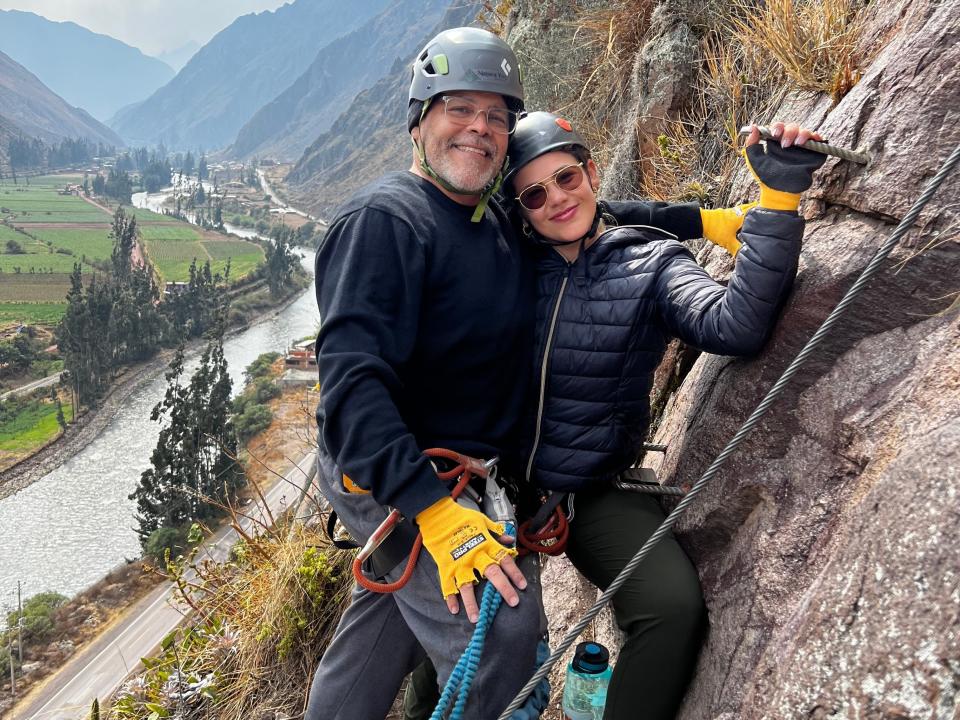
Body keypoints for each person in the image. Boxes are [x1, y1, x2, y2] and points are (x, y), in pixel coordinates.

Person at [307, 25, 775, 720]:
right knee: (496, 627)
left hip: (451, 471)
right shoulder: (385, 223)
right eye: (458, 110)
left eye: (495, 116)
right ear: (418, 121)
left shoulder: (494, 217)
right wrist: (436, 514)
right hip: (393, 467)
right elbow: (350, 385)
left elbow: (584, 213)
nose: (479, 129)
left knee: (380, 628)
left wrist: (702, 220)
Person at [403, 113, 825, 719]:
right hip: (489, 480)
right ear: (520, 210)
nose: (558, 199)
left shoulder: (652, 265)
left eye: (568, 178)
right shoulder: (509, 260)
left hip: (589, 488)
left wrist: (778, 200)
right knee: (459, 634)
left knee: (670, 609)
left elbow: (734, 324)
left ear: (591, 171)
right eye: (535, 194)